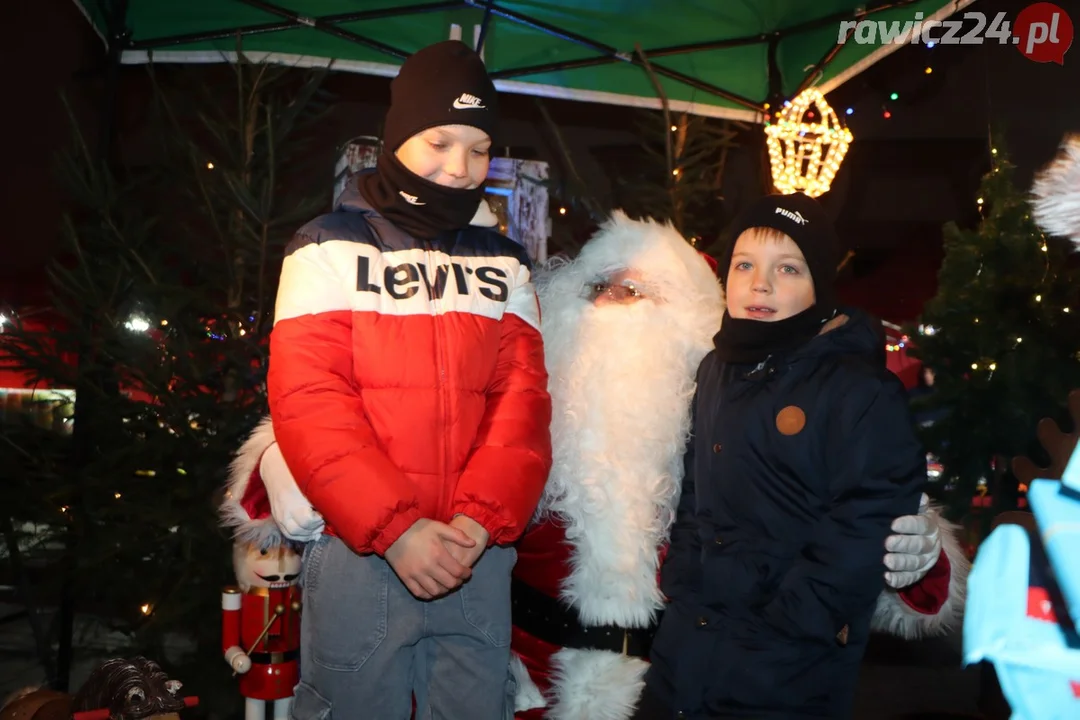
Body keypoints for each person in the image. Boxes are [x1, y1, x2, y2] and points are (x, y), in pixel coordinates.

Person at [234, 210, 966, 719]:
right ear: (561, 302)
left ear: (690, 316)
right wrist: (278, 458)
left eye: (640, 292)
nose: (617, 306)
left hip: (673, 683)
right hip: (514, 674)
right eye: (600, 289)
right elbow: (396, 424)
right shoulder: (529, 387)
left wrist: (919, 560)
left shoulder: (717, 401)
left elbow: (838, 520)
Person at [257, 39, 552, 719]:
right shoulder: (325, 246)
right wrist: (396, 531)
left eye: (480, 149)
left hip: (474, 559)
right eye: (441, 141)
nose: (460, 167)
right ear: (399, 137)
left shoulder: (504, 264)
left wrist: (479, 523)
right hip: (364, 555)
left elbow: (522, 404)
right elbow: (311, 400)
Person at [636, 193, 934, 719]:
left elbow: (864, 523)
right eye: (744, 264)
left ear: (819, 285)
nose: (760, 284)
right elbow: (692, 491)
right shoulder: (715, 370)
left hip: (787, 668)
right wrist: (683, 584)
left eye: (788, 268)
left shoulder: (859, 391)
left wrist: (791, 621)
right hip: (686, 650)